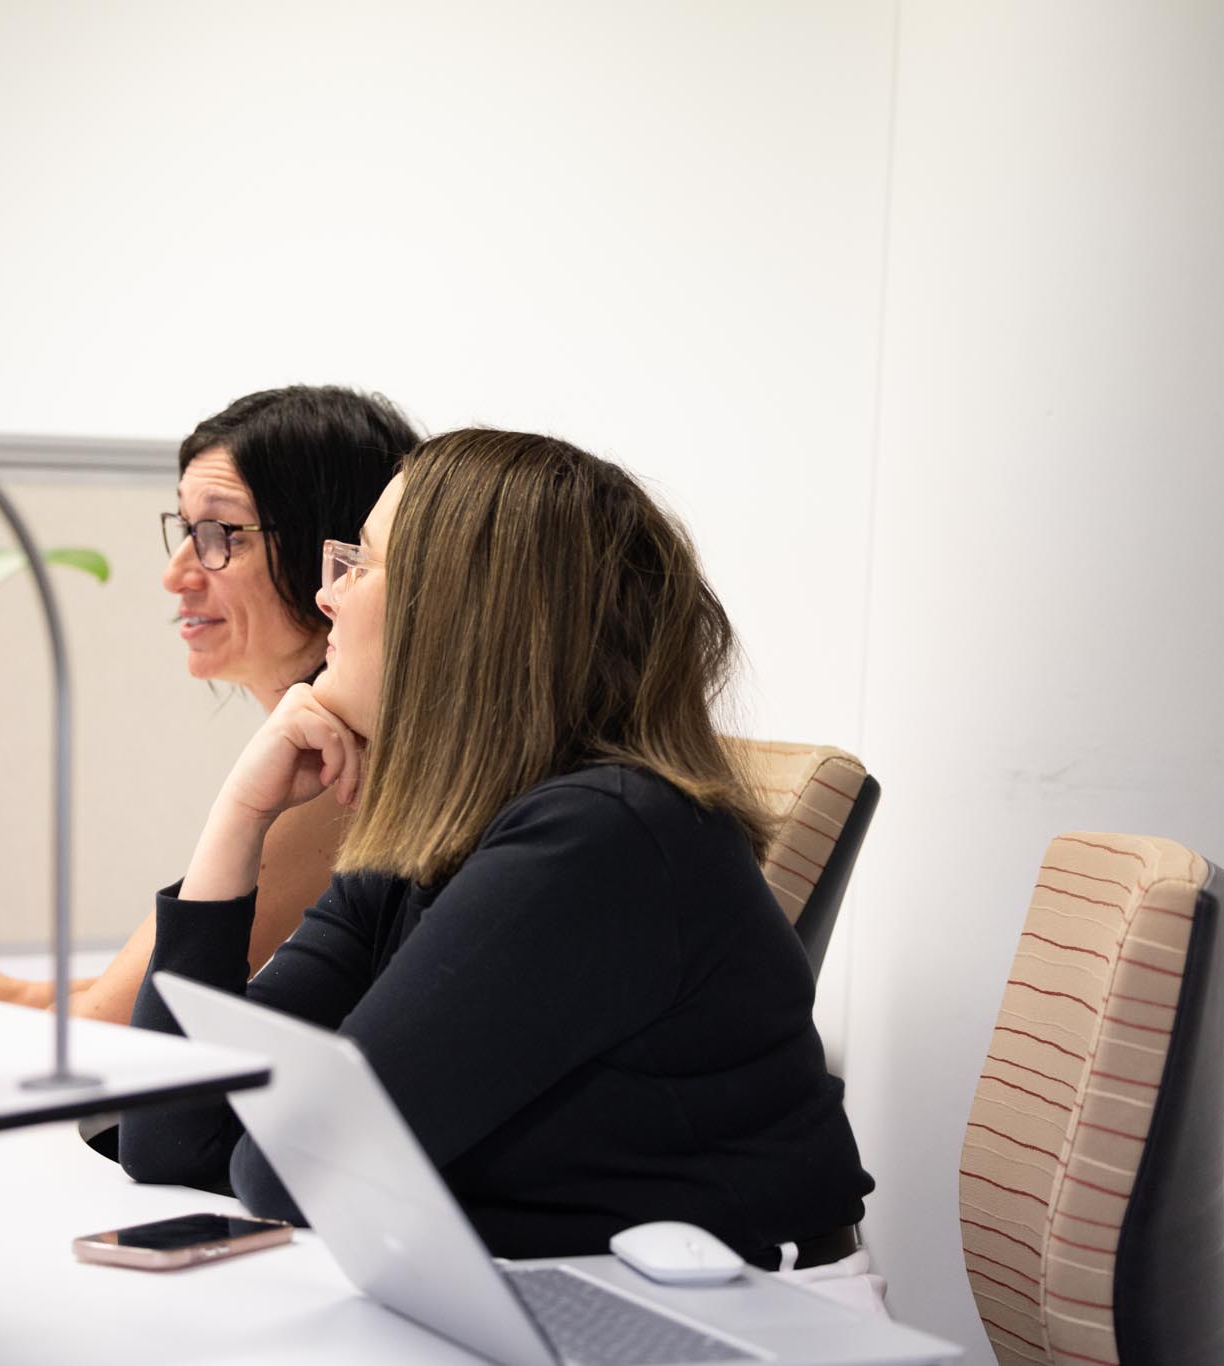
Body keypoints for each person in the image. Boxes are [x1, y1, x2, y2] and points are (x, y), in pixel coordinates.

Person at [119, 428, 875, 1268]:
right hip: (568, 1292)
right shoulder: (429, 838)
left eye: (361, 564)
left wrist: (289, 1135)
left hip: (750, 1320)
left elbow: (293, 1171)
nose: (329, 597)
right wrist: (239, 815)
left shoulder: (602, 839)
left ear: (455, 615)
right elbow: (169, 1136)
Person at [0, 385, 418, 1023]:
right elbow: (152, 986)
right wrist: (9, 992)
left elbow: (124, 1024)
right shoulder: (321, 742)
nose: (177, 572)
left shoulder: (335, 770)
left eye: (219, 534)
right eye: (185, 531)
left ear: (327, 543)